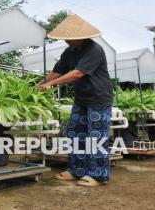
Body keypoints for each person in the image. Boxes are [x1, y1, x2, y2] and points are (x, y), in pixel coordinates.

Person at [39, 14, 113, 187]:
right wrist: (38, 85)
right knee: (75, 133)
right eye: (66, 38)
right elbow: (56, 72)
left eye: (70, 39)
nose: (67, 41)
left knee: (96, 137)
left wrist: (51, 84)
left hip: (99, 98)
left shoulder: (94, 49)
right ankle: (76, 170)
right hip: (81, 99)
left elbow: (77, 73)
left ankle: (98, 175)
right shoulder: (69, 51)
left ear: (80, 37)